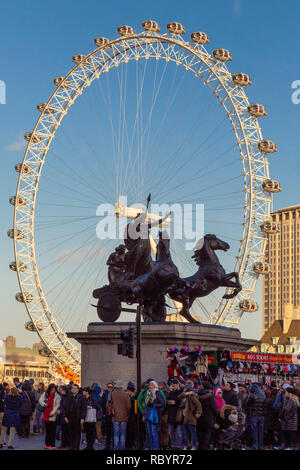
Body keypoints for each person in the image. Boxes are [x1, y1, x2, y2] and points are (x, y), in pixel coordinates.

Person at [178, 382, 202, 450]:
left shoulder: (192, 396)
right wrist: (186, 393)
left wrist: (198, 413)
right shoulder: (186, 395)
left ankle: (194, 446)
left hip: (191, 417)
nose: (184, 388)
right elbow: (179, 397)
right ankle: (185, 446)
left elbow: (198, 405)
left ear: (187, 388)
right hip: (185, 417)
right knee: (185, 433)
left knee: (192, 433)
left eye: (185, 388)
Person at [143, 380, 165, 450]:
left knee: (154, 433)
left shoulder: (158, 392)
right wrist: (144, 415)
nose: (150, 386)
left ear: (155, 386)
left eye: (152, 385)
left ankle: (155, 448)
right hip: (147, 415)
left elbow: (162, 403)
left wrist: (154, 405)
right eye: (150, 385)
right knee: (149, 433)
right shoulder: (148, 393)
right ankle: (150, 447)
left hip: (154, 415)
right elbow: (146, 405)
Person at [64, 383, 87, 450]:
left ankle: (77, 447)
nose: (73, 389)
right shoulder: (69, 397)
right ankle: (72, 446)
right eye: (72, 388)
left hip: (78, 418)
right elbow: (66, 407)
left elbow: (83, 408)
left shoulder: (81, 397)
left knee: (77, 433)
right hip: (70, 417)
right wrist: (65, 416)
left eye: (74, 388)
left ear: (78, 389)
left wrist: (82, 418)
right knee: (71, 433)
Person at [244, 383, 266, 450]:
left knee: (254, 431)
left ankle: (255, 445)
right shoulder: (263, 395)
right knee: (261, 431)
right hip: (262, 416)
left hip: (254, 415)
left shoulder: (252, 395)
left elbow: (246, 404)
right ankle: (260, 445)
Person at [39, 383, 61, 449]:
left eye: (54, 390)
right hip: (46, 414)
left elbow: (57, 405)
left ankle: (52, 445)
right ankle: (47, 444)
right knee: (47, 430)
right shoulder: (46, 394)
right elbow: (40, 400)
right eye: (51, 390)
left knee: (53, 431)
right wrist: (44, 404)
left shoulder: (57, 396)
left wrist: (53, 412)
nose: (53, 391)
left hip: (52, 415)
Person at [196, 384, 218, 450]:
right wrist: (216, 415)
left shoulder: (197, 396)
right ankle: (204, 447)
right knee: (207, 435)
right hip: (208, 419)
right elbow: (214, 408)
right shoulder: (210, 397)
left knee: (200, 434)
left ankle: (200, 447)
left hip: (199, 418)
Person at [111, 380, 131, 450]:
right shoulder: (125, 395)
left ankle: (116, 447)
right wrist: (127, 413)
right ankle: (122, 448)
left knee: (116, 434)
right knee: (123, 434)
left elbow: (108, 404)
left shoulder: (112, 394)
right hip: (124, 416)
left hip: (115, 416)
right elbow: (128, 406)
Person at [166, 379, 182, 449]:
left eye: (174, 385)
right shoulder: (170, 393)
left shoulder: (181, 392)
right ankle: (172, 445)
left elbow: (179, 401)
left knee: (179, 433)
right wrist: (170, 402)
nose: (173, 386)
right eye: (172, 385)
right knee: (170, 432)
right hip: (171, 415)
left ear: (178, 385)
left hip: (178, 415)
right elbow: (167, 401)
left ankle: (178, 445)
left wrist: (174, 402)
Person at [102, 382, 115, 450]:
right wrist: (104, 413)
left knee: (113, 431)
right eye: (108, 387)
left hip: (113, 415)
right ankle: (107, 445)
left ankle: (112, 445)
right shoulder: (105, 394)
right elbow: (103, 404)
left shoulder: (114, 394)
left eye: (111, 387)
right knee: (108, 431)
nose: (109, 388)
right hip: (107, 414)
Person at [125, 382, 137, 450]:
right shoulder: (128, 398)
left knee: (131, 433)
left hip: (132, 419)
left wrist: (133, 418)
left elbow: (135, 410)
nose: (127, 392)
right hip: (130, 418)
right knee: (128, 433)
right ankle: (129, 445)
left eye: (128, 391)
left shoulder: (134, 399)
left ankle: (131, 445)